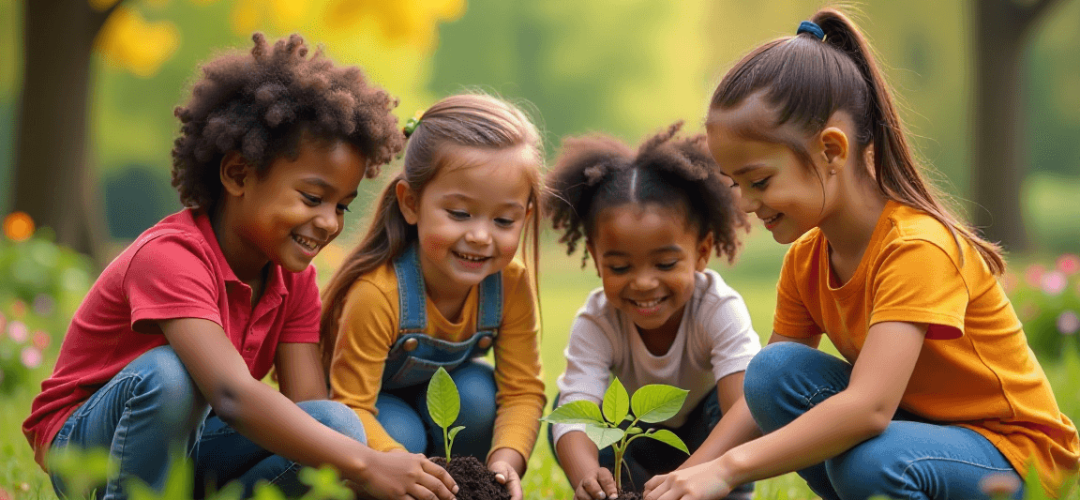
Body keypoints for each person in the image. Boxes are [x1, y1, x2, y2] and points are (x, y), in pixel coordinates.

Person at [643, 9, 1080, 500]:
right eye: (735, 184)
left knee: (871, 462)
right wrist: (690, 475)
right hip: (916, 437)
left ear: (832, 150)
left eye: (759, 181)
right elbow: (758, 401)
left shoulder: (916, 246)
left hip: (1016, 460)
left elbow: (870, 408)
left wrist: (729, 470)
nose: (746, 203)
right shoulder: (808, 258)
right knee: (772, 373)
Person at [23, 33, 459, 500]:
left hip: (193, 443)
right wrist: (367, 465)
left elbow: (308, 408)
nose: (329, 222)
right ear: (237, 174)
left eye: (342, 206)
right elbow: (230, 394)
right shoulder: (171, 256)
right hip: (90, 449)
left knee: (337, 424)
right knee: (173, 375)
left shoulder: (294, 278)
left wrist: (369, 463)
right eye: (312, 198)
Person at [320, 93, 547, 500]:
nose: (480, 236)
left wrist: (506, 461)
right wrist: (396, 464)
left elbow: (522, 390)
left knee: (478, 396)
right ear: (411, 203)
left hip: (433, 397)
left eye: (503, 220)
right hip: (373, 413)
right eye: (459, 214)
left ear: (525, 217)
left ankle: (465, 489)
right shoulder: (378, 293)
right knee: (402, 432)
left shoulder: (510, 283)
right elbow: (351, 406)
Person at [543, 122, 760, 500]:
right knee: (564, 416)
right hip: (635, 441)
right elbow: (577, 410)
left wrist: (695, 474)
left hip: (704, 441)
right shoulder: (598, 320)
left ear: (703, 252)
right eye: (621, 267)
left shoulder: (718, 308)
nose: (643, 283)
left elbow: (743, 409)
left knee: (731, 412)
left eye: (664, 264)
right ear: (596, 259)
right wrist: (586, 474)